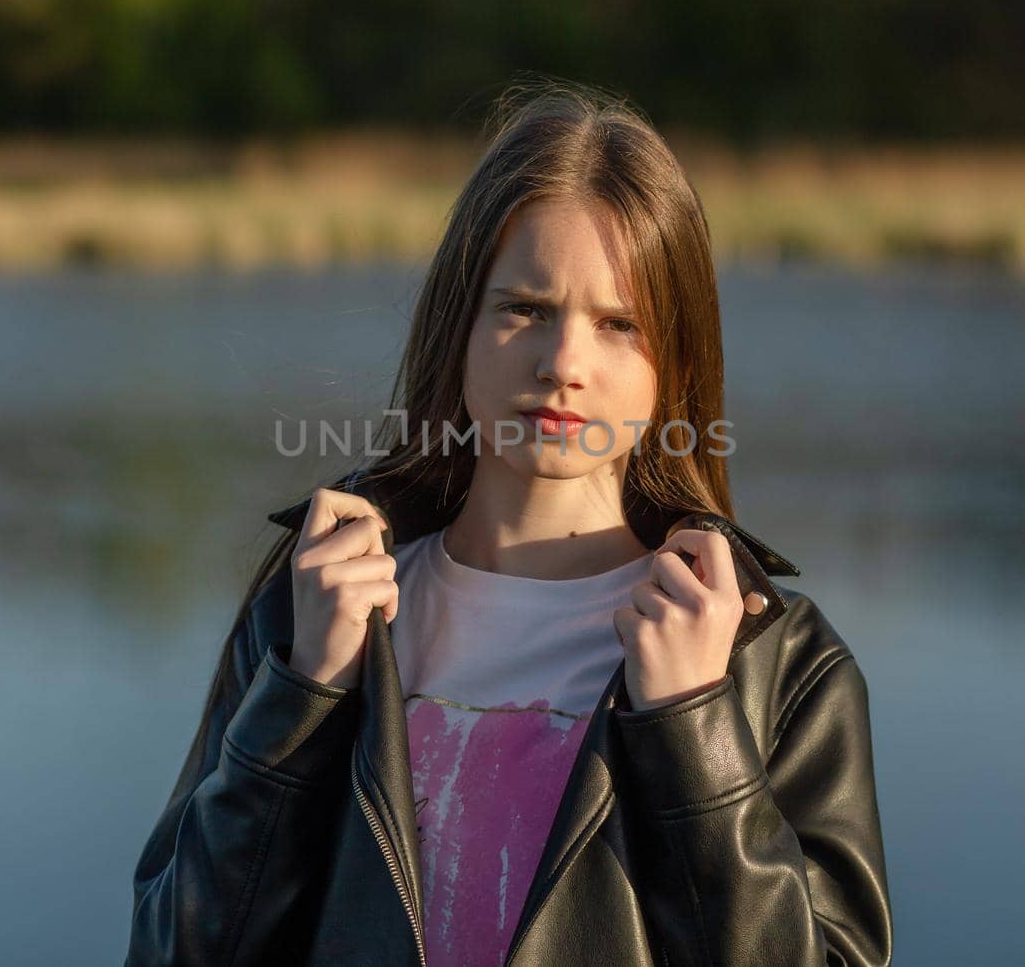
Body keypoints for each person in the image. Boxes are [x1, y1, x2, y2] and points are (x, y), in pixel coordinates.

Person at [125, 80, 893, 966]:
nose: (563, 362)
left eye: (619, 325)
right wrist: (304, 696)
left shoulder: (770, 660)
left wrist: (693, 724)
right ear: (459, 325)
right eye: (524, 308)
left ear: (674, 363)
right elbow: (173, 950)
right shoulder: (314, 607)